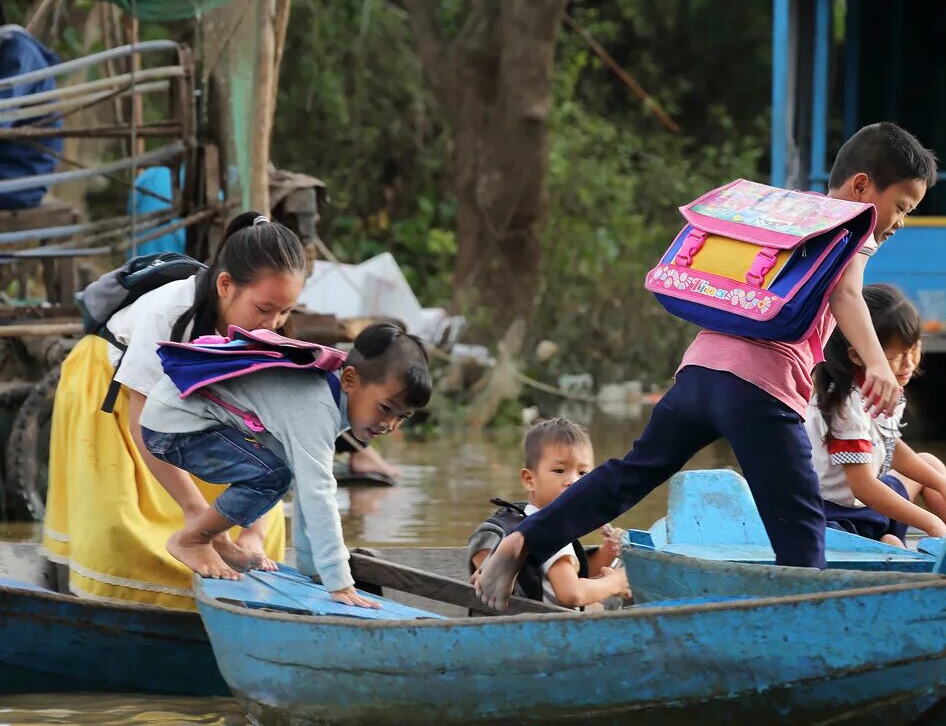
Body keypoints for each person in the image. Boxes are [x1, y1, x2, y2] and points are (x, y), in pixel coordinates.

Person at [477, 123, 937, 610]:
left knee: (631, 474)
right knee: (800, 527)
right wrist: (878, 367)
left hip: (698, 374)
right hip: (760, 388)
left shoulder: (787, 212)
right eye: (902, 207)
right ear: (863, 187)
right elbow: (847, 294)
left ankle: (525, 539)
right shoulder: (852, 225)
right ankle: (802, 627)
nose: (900, 222)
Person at [42, 212, 305, 608]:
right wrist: (197, 517)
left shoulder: (266, 333)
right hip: (113, 391)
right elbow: (142, 422)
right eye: (264, 309)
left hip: (190, 406)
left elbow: (268, 435)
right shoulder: (167, 313)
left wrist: (252, 529)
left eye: (284, 313)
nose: (272, 323)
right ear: (225, 285)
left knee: (264, 533)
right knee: (120, 528)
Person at [140, 323, 432, 607]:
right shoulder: (316, 407)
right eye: (386, 408)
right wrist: (339, 582)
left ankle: (213, 538)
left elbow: (306, 488)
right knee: (272, 478)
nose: (389, 424)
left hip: (182, 418)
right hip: (174, 426)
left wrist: (314, 569)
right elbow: (319, 495)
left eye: (401, 417)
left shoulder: (331, 393)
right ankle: (192, 539)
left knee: (285, 473)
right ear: (350, 380)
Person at [810, 284, 946, 547]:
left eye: (913, 349)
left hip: (867, 507)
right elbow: (864, 487)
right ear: (858, 355)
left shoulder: (883, 386)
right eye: (898, 355)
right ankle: (897, 546)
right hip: (836, 518)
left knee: (931, 465)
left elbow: (889, 445)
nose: (909, 363)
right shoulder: (845, 406)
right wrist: (930, 522)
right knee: (890, 542)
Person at [469, 418, 629, 609]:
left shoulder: (529, 520)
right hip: (553, 633)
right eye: (559, 470)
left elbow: (572, 574)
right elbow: (572, 594)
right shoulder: (550, 532)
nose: (573, 482)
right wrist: (615, 583)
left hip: (529, 627)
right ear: (529, 479)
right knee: (597, 607)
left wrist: (607, 552)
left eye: (583, 474)